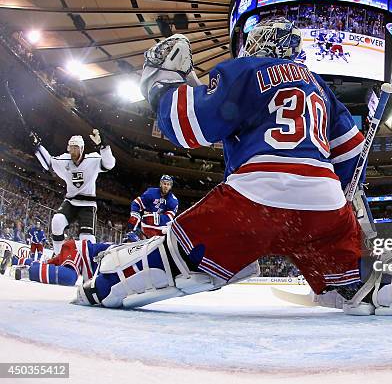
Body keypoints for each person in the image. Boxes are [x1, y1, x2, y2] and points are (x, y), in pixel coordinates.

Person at [74, 18, 368, 310]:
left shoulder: (246, 69)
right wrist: (337, 206)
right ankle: (356, 285)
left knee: (181, 255)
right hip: (324, 205)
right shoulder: (321, 88)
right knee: (353, 277)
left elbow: (189, 124)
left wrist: (162, 85)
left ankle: (108, 285)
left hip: (254, 200)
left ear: (263, 41)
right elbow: (352, 154)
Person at [32, 130, 116, 255]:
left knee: (86, 239)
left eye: (76, 147)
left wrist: (103, 147)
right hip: (71, 201)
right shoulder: (64, 161)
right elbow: (48, 163)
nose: (73, 151)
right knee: (57, 221)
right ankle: (59, 256)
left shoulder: (92, 159)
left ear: (82, 149)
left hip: (88, 205)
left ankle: (89, 266)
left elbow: (109, 164)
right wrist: (38, 147)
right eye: (71, 148)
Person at [12, 238, 114, 285]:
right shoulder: (123, 251)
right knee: (69, 276)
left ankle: (16, 260)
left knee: (46, 265)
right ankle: (27, 271)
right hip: (79, 250)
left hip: (78, 254)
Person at [126, 175, 179, 240]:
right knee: (131, 233)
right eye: (164, 184)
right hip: (145, 225)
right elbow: (136, 203)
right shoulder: (151, 193)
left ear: (171, 186)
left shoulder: (173, 201)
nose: (166, 186)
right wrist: (135, 215)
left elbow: (168, 218)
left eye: (168, 184)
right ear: (160, 184)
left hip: (159, 229)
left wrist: (153, 216)